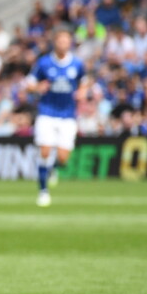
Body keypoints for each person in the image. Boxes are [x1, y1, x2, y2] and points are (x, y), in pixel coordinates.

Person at [26, 29, 88, 207]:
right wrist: (37, 88)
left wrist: (83, 91)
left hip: (68, 114)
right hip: (47, 112)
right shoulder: (44, 63)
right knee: (44, 151)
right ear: (55, 42)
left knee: (63, 158)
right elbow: (29, 83)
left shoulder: (76, 63)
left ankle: (52, 169)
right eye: (61, 40)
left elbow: (84, 81)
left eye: (67, 41)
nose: (64, 44)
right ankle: (43, 191)